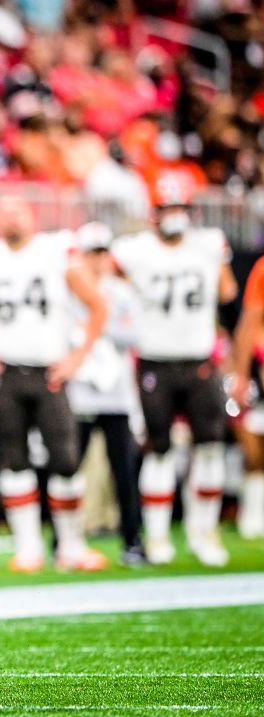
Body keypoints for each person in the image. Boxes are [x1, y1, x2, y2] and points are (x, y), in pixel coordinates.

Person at [0, 198, 109, 573]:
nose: (11, 216)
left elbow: (97, 304)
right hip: (4, 374)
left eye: (18, 210)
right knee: (15, 459)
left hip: (48, 372)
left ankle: (71, 545)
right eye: (4, 211)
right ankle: (29, 547)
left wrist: (76, 357)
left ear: (33, 216)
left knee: (66, 460)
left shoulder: (56, 250)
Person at [112, 180, 237, 566]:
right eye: (168, 208)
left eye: (180, 207)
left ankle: (204, 532)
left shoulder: (209, 245)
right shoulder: (134, 250)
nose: (175, 216)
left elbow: (228, 291)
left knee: (210, 446)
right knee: (160, 448)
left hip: (200, 360)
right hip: (154, 360)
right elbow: (106, 275)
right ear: (154, 215)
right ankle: (160, 536)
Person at [68, 223, 146, 565]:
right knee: (69, 468)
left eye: (103, 252)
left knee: (124, 471)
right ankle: (65, 539)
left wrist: (96, 323)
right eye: (92, 253)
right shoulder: (68, 290)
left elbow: (133, 334)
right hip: (81, 392)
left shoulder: (122, 291)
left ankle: (132, 539)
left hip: (115, 393)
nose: (99, 260)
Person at [230, 254, 264, 540]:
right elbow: (249, 323)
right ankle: (253, 514)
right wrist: (240, 375)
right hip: (258, 376)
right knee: (254, 454)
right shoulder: (263, 269)